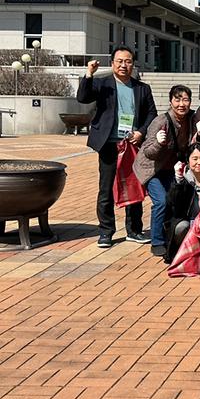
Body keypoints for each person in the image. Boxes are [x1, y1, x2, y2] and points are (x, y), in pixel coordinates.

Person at [76, 45, 157, 248]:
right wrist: (88, 74)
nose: (124, 65)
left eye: (128, 61)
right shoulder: (102, 84)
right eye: (119, 61)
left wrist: (141, 132)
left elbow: (151, 114)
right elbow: (82, 97)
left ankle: (134, 230)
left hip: (132, 144)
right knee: (106, 189)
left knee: (134, 186)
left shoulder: (142, 88)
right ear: (112, 64)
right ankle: (106, 232)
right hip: (109, 144)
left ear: (133, 64)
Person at [134, 84, 193, 257]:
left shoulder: (190, 118)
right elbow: (148, 152)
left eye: (185, 99)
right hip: (152, 169)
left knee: (176, 199)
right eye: (177, 99)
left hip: (172, 168)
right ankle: (157, 241)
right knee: (161, 201)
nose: (181, 104)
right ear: (170, 101)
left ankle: (171, 234)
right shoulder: (161, 121)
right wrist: (159, 143)